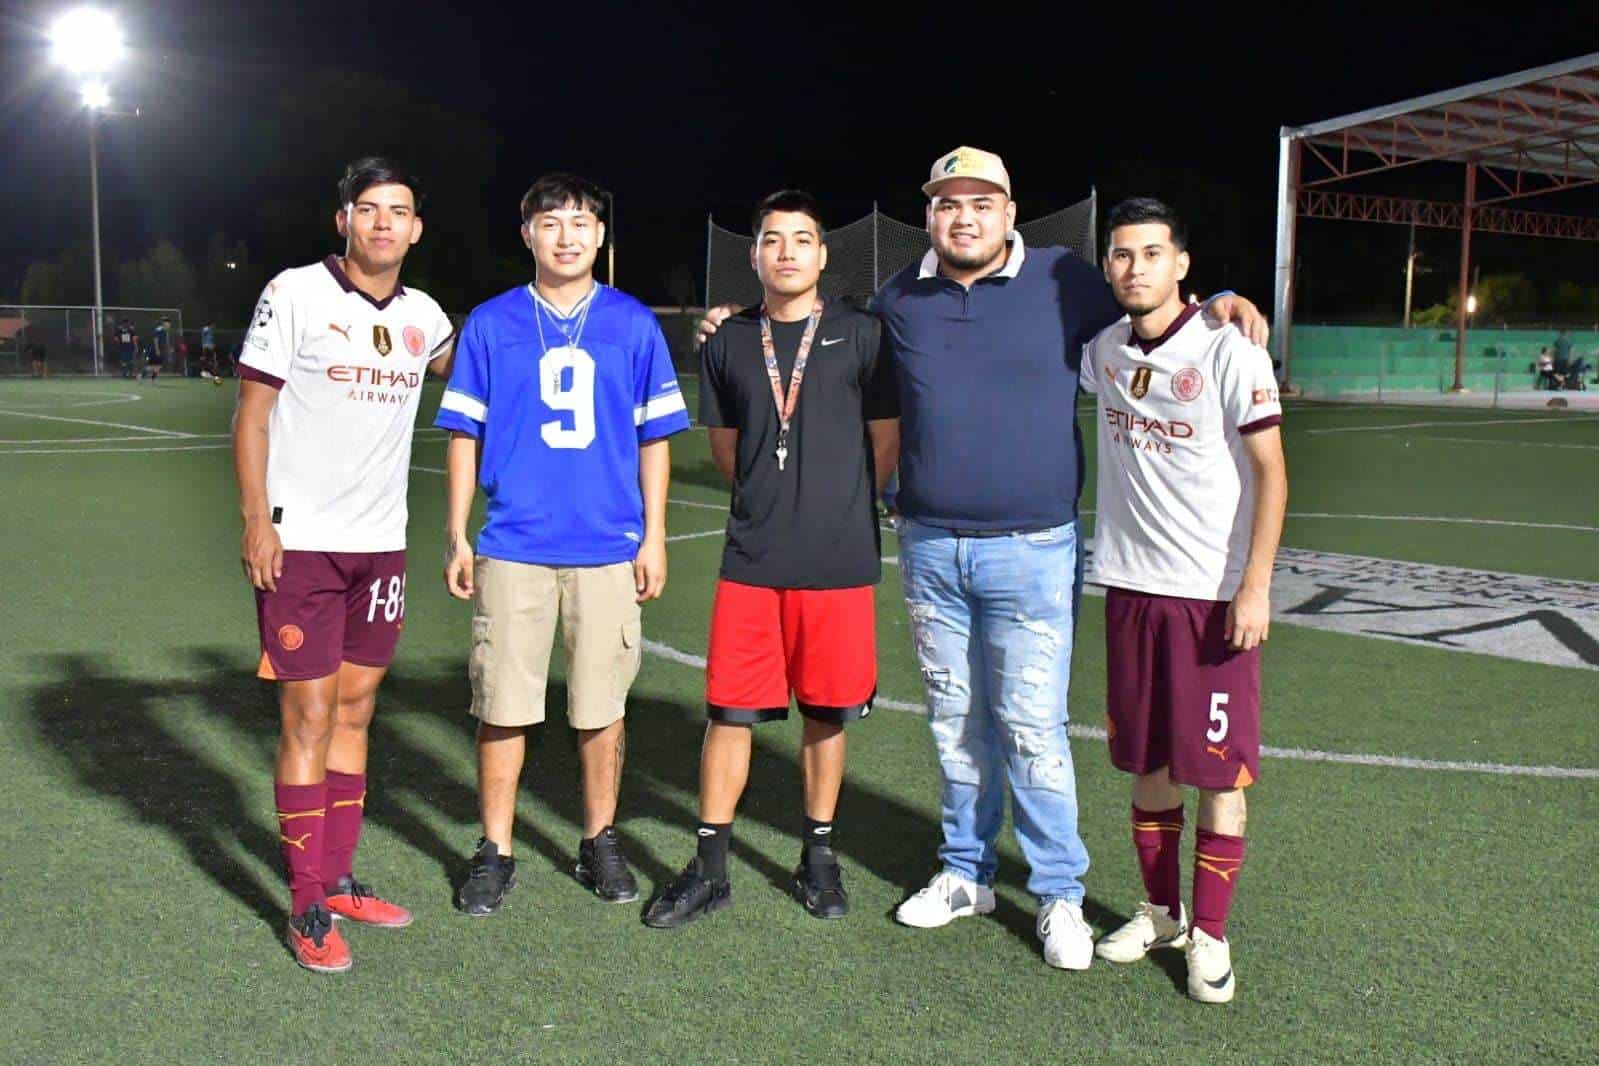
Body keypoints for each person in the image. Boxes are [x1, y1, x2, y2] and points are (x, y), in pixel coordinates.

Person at [695, 147, 1266, 972]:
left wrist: (1218, 297)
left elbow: (1149, 302)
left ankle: (1060, 891)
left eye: (980, 203)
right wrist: (728, 321)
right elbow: (814, 330)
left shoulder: (1063, 280)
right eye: (946, 204)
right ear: (928, 216)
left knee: (1032, 729)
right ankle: (967, 872)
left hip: (1033, 549)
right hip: (928, 546)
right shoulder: (899, 298)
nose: (963, 217)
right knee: (957, 727)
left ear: (1008, 211)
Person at [436, 172, 690, 918]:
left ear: (601, 236)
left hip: (607, 545)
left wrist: (655, 535)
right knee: (502, 702)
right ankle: (495, 847)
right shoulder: (490, 322)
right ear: (527, 235)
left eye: (581, 221)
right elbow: (462, 433)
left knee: (600, 705)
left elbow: (654, 440)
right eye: (551, 222)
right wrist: (456, 533)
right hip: (513, 542)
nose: (567, 234)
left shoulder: (633, 323)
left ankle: (598, 838)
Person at [643, 190, 899, 929]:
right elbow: (726, 451)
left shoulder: (862, 333)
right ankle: (710, 867)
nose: (786, 251)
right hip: (752, 559)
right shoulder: (725, 342)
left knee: (825, 715)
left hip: (839, 562)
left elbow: (885, 442)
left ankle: (817, 858)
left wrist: (838, 505)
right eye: (772, 240)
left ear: (822, 254)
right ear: (752, 255)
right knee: (728, 714)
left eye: (802, 239)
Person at [233, 157, 456, 974]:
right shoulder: (294, 293)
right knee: (308, 719)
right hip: (303, 543)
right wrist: (259, 521)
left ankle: (339, 875)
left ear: (416, 227)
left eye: (399, 210)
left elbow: (486, 371)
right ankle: (305, 905)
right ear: (344, 221)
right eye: (369, 209)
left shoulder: (427, 317)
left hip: (382, 543)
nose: (384, 223)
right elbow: (252, 415)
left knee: (357, 713)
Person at [1079, 198, 1287, 1005]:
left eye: (1152, 253)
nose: (1136, 267)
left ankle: (1210, 933)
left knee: (1219, 776)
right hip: (1130, 590)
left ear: (1181, 264)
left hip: (1210, 601)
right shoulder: (1100, 350)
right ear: (1108, 268)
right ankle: (1159, 913)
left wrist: (1255, 585)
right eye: (1123, 255)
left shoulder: (1229, 350)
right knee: (1149, 763)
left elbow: (1271, 473)